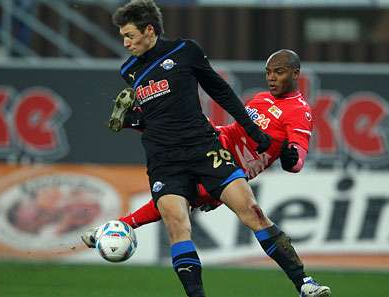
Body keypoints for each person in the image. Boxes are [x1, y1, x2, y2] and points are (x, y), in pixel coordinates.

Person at [82, 1, 330, 297]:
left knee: (253, 212)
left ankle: (304, 283)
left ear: (149, 30)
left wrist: (261, 137)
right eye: (122, 35)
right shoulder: (130, 71)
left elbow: (220, 90)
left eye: (130, 35)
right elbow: (161, 116)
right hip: (166, 156)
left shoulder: (185, 51)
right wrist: (134, 121)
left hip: (205, 148)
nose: (125, 42)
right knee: (177, 223)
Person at [119, 49, 314, 230]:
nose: (271, 78)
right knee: (188, 119)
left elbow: (298, 161)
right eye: (268, 72)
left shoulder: (299, 111)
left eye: (278, 72)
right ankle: (138, 117)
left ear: (295, 74)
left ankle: (119, 226)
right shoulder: (261, 98)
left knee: (174, 195)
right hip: (218, 140)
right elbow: (236, 130)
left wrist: (291, 160)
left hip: (231, 168)